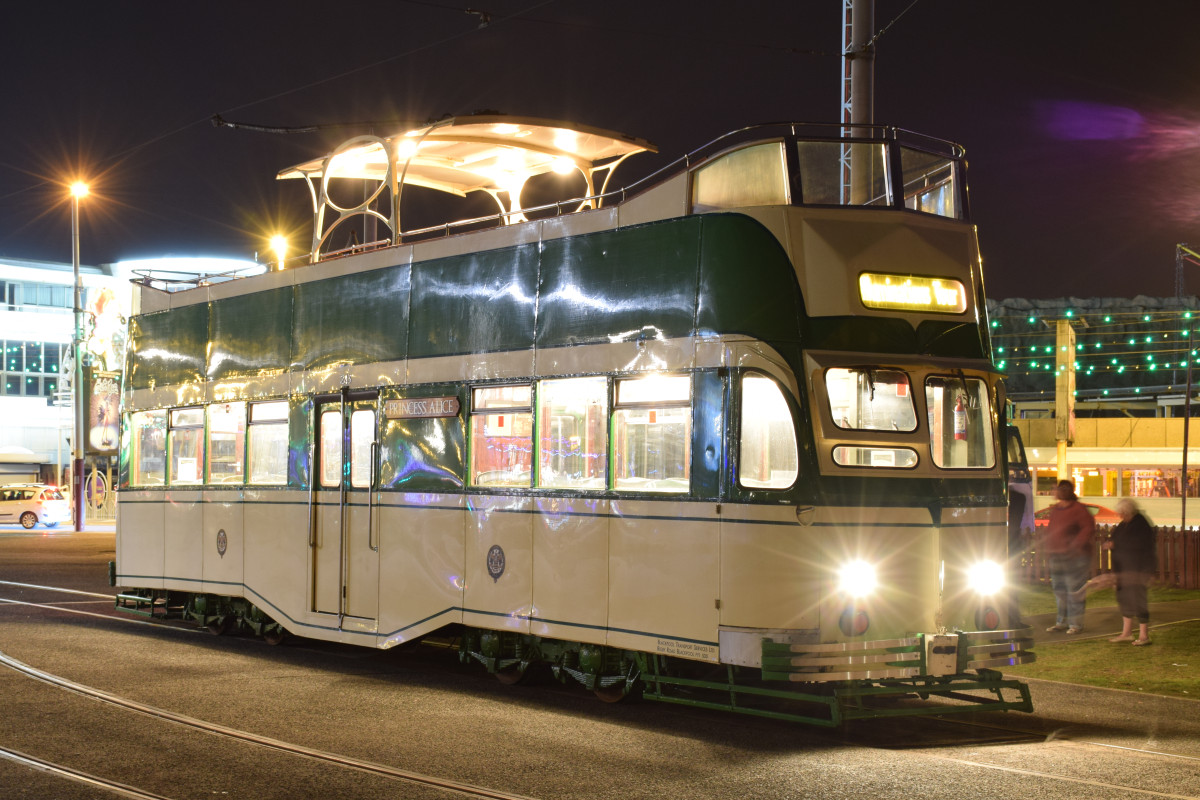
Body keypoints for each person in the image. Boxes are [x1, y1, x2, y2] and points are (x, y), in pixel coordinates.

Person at [1042, 479, 1095, 634]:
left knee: (1074, 590)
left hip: (1074, 557)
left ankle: (1075, 624)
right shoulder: (1056, 509)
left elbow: (1088, 528)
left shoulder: (1079, 510)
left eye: (1058, 489)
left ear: (1066, 491)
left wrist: (1075, 546)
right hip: (1057, 556)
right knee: (1059, 590)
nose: (1055, 492)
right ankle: (1062, 622)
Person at [1104, 498, 1156, 645]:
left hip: (1137, 570)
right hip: (1123, 570)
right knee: (1124, 600)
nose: (1120, 516)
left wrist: (1116, 544)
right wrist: (1111, 543)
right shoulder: (1124, 525)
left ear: (1127, 511)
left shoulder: (1140, 524)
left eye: (1121, 513)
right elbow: (1116, 539)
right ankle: (1126, 633)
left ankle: (1144, 635)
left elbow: (1139, 545)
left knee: (1138, 600)